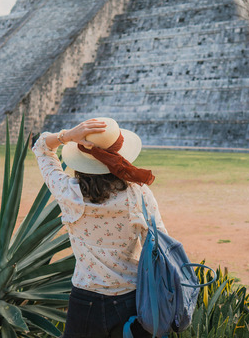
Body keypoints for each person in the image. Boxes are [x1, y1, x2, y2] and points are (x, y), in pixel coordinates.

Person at [32, 117, 166, 338]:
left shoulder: (69, 194)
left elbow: (41, 147)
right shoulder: (138, 195)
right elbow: (160, 245)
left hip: (85, 301)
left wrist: (67, 136)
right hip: (131, 301)